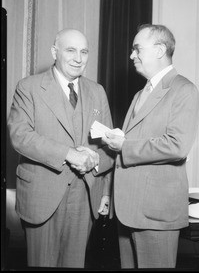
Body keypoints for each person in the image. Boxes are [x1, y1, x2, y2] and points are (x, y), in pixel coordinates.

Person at [7, 28, 114, 268]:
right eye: (71, 50)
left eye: (84, 51)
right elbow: (20, 136)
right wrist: (69, 155)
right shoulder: (29, 87)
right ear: (54, 52)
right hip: (42, 196)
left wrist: (95, 160)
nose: (78, 58)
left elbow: (110, 149)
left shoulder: (97, 92)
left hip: (85, 196)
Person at [102, 24, 199, 268]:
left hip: (155, 214)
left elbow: (177, 146)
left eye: (137, 49)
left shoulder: (184, 89)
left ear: (159, 50)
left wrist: (124, 145)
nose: (132, 55)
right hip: (127, 209)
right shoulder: (140, 93)